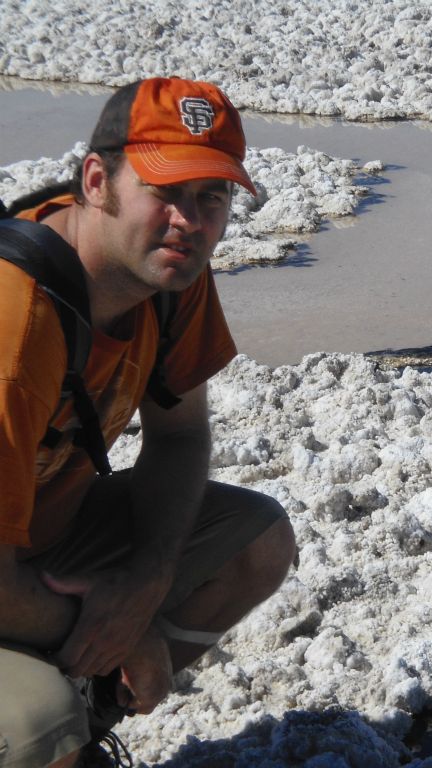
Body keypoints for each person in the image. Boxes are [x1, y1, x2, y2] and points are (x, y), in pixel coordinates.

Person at [0, 77, 297, 767]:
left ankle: (86, 711)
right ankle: (56, 727)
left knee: (255, 542)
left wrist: (147, 579)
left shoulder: (169, 278)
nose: (190, 222)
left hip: (37, 544)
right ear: (97, 180)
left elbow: (182, 432)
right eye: (165, 192)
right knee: (38, 722)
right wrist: (126, 631)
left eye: (212, 198)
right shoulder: (15, 329)